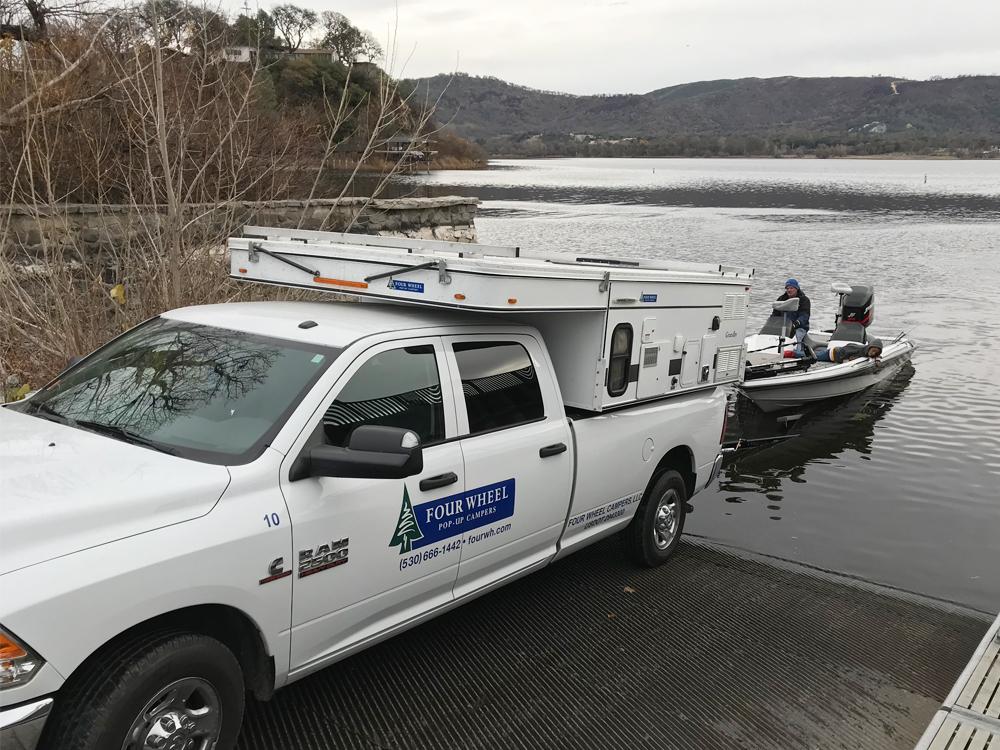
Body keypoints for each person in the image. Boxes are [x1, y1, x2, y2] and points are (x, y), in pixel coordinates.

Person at [776, 278, 811, 356]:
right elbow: (775, 314)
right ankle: (777, 353)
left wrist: (797, 323)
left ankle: (797, 354)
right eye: (787, 288)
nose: (789, 290)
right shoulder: (781, 299)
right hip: (784, 327)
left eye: (791, 288)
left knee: (797, 336)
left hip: (799, 327)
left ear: (796, 289)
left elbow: (805, 315)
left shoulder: (804, 300)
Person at [816, 337, 883, 363]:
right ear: (869, 348)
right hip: (832, 354)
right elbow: (849, 347)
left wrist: (877, 359)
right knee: (814, 358)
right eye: (873, 351)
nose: (873, 353)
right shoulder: (859, 350)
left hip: (836, 352)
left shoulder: (867, 351)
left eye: (876, 353)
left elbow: (876, 355)